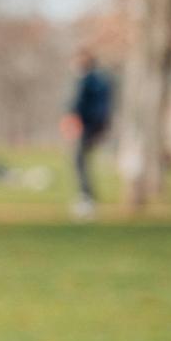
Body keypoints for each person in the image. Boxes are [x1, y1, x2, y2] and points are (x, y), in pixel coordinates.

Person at [62, 48, 113, 220]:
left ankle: (86, 198)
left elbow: (76, 105)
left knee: (79, 160)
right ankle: (87, 196)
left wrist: (73, 122)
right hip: (93, 127)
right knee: (82, 161)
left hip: (85, 127)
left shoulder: (86, 81)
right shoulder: (101, 81)